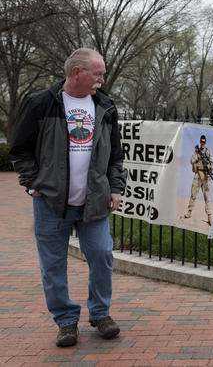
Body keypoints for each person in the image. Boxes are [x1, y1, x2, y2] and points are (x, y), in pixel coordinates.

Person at [9, 48, 126, 347]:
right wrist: (33, 182)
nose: (102, 79)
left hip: (94, 200)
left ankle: (100, 314)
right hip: (51, 202)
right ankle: (65, 320)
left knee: (101, 255)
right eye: (97, 73)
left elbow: (116, 155)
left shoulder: (105, 106)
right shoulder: (41, 103)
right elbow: (20, 150)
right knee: (52, 264)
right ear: (76, 72)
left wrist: (115, 187)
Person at [184, 134, 213, 225]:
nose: (202, 143)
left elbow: (212, 163)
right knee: (193, 194)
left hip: (205, 176)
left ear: (206, 142)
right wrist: (197, 157)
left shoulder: (208, 152)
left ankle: (209, 217)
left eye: (204, 142)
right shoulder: (196, 152)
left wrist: (210, 169)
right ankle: (189, 212)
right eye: (201, 142)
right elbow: (191, 160)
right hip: (197, 175)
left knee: (207, 197)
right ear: (200, 142)